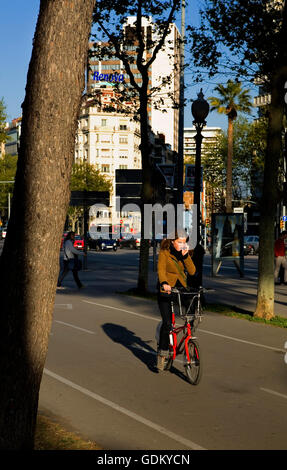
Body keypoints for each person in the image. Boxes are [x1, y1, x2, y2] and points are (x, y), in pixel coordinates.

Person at [156, 231, 196, 372]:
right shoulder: (164, 252)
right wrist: (164, 283)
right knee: (167, 323)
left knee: (191, 314)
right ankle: (162, 353)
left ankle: (189, 339)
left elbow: (192, 271)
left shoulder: (185, 253)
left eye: (184, 242)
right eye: (179, 241)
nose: (182, 244)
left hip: (180, 289)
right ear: (173, 241)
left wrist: (186, 256)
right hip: (166, 290)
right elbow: (161, 270)